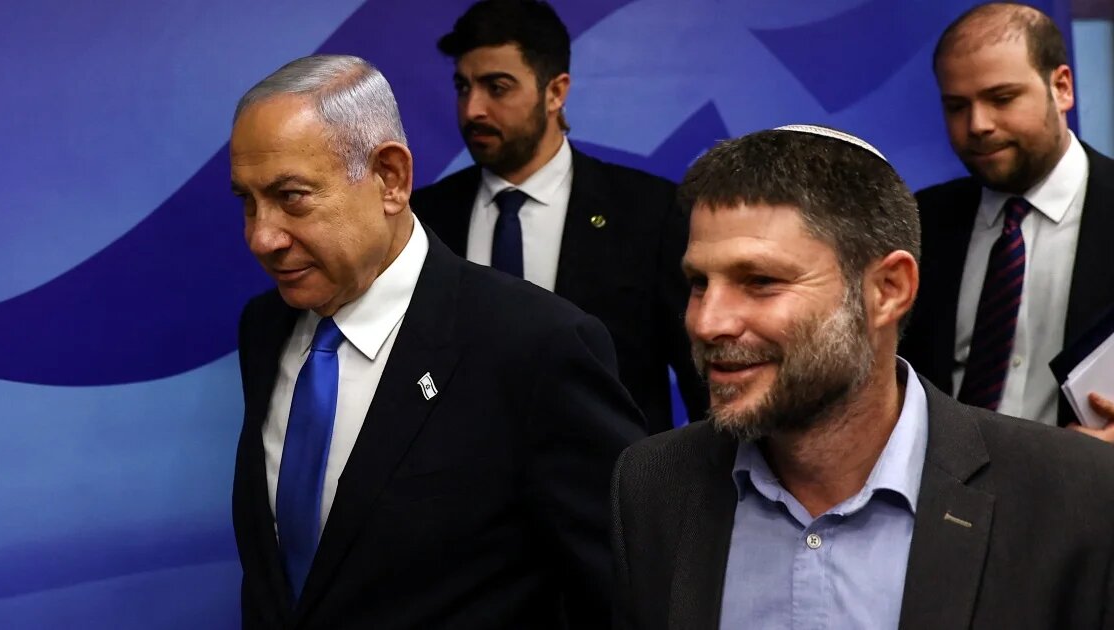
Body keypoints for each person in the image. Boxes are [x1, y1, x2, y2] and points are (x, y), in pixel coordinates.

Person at [610, 127, 1114, 629]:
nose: (706, 321)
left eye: (760, 281)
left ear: (888, 290)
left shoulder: (1076, 497)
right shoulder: (654, 486)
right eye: (699, 283)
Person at [229, 54, 644, 629]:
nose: (261, 236)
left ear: (390, 179)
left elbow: (622, 590)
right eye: (247, 202)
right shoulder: (265, 328)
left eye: (291, 196)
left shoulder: (535, 346)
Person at [411, 0, 706, 434]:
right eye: (462, 87)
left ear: (555, 91)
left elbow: (701, 371)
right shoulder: (425, 217)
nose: (473, 109)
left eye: (497, 87)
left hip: (609, 487)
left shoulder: (650, 212)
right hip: (457, 489)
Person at [899, 2, 1114, 440]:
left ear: (1062, 87)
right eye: (957, 106)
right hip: (941, 494)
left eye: (1001, 98)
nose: (977, 125)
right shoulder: (920, 222)